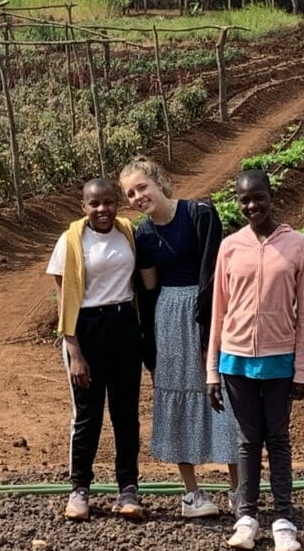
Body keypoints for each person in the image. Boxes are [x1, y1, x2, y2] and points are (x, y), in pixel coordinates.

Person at [119, 157, 239, 518]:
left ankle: (238, 490)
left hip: (208, 311)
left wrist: (211, 323)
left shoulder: (200, 213)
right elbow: (150, 288)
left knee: (223, 395)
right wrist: (151, 343)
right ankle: (192, 495)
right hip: (169, 315)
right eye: (131, 194)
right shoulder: (143, 235)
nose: (139, 197)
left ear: (158, 182)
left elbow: (214, 272)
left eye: (142, 187)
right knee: (177, 393)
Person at [206, 168, 304, 551]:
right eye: (244, 199)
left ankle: (283, 520)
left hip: (279, 359)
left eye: (258, 197)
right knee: (247, 440)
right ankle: (246, 518)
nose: (252, 205)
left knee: (279, 439)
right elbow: (219, 311)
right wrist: (212, 371)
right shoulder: (230, 246)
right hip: (235, 360)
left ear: (271, 196)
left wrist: (303, 370)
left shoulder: (297, 245)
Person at [46, 178, 145, 521]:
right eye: (94, 204)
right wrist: (73, 350)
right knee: (87, 416)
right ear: (83, 207)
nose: (102, 210)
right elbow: (63, 299)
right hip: (86, 330)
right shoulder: (71, 241)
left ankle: (128, 489)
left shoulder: (127, 233)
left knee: (125, 413)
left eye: (108, 202)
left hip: (124, 327)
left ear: (117, 203)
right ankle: (79, 489)